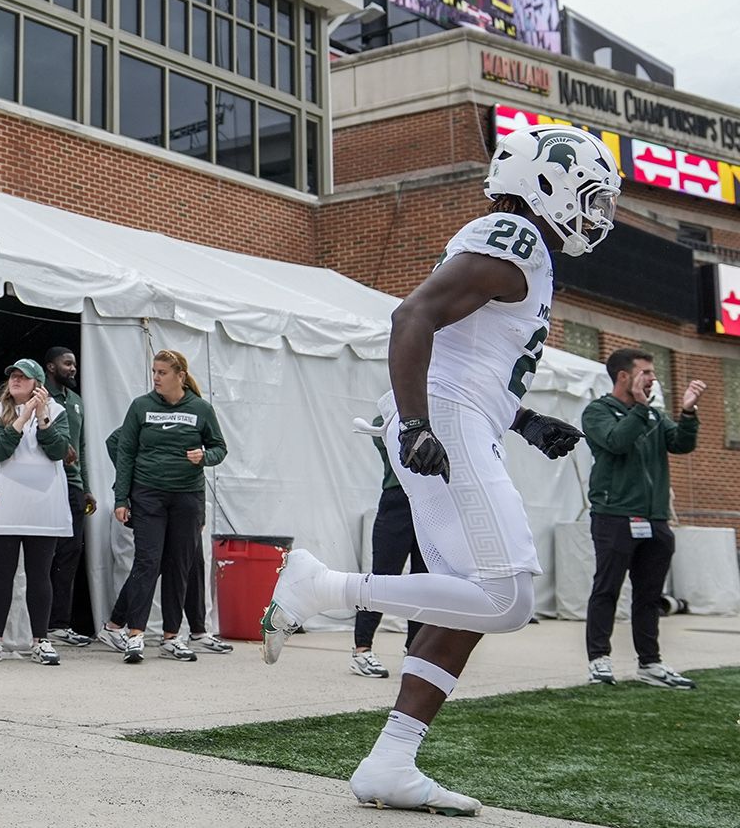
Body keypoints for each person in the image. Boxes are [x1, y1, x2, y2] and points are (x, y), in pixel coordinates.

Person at [260, 125, 617, 815]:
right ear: (550, 179)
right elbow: (412, 316)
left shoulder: (516, 245)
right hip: (444, 419)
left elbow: (468, 354)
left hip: (461, 415)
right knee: (508, 594)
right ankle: (324, 585)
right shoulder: (517, 238)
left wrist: (522, 418)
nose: (595, 213)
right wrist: (420, 421)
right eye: (590, 195)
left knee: (467, 597)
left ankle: (391, 761)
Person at [581, 348, 702, 689]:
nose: (653, 379)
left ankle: (650, 663)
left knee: (649, 595)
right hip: (614, 516)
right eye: (646, 372)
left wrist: (689, 411)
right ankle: (599, 661)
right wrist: (639, 408)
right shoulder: (598, 412)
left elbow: (680, 444)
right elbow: (616, 442)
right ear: (624, 376)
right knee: (607, 589)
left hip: (655, 519)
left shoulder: (654, 415)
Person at [99, 350, 227, 664]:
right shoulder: (141, 406)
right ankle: (135, 634)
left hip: (186, 497)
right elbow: (124, 451)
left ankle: (172, 636)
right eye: (154, 371)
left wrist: (204, 456)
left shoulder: (200, 408)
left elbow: (219, 447)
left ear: (180, 376)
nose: (156, 377)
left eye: (162, 372)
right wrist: (121, 498)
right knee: (147, 562)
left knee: (179, 567)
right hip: (148, 496)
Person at [0, 359, 71, 666]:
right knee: (2, 572)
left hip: (43, 503)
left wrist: (41, 420)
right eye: (13, 375)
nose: (15, 379)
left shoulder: (57, 413)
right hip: (4, 502)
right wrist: (21, 417)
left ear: (37, 385)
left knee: (39, 573)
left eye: (23, 376)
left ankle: (40, 640)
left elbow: (58, 451)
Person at [349, 414, 427, 678]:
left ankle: (415, 649)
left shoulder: (436, 409)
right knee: (382, 577)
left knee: (425, 581)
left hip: (431, 503)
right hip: (398, 500)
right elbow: (396, 445)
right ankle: (362, 650)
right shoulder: (388, 416)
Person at [41, 346, 95, 648]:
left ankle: (59, 625)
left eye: (74, 363)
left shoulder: (76, 402)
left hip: (72, 487)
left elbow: (82, 447)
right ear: (51, 367)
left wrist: (86, 486)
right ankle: (39, 625)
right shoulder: (38, 396)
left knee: (69, 555)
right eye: (67, 363)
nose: (73, 368)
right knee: (43, 556)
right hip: (45, 484)